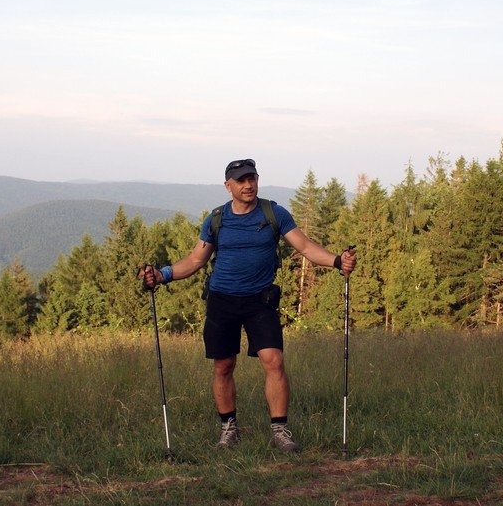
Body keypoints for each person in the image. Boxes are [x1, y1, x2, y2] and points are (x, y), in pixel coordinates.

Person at [140, 158, 356, 452]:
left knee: (274, 361)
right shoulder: (216, 219)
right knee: (223, 366)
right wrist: (161, 276)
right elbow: (194, 261)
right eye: (240, 180)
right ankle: (229, 428)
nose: (248, 185)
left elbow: (305, 247)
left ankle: (280, 430)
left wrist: (336, 261)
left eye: (251, 178)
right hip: (222, 300)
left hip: (260, 300)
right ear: (228, 186)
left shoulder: (273, 213)